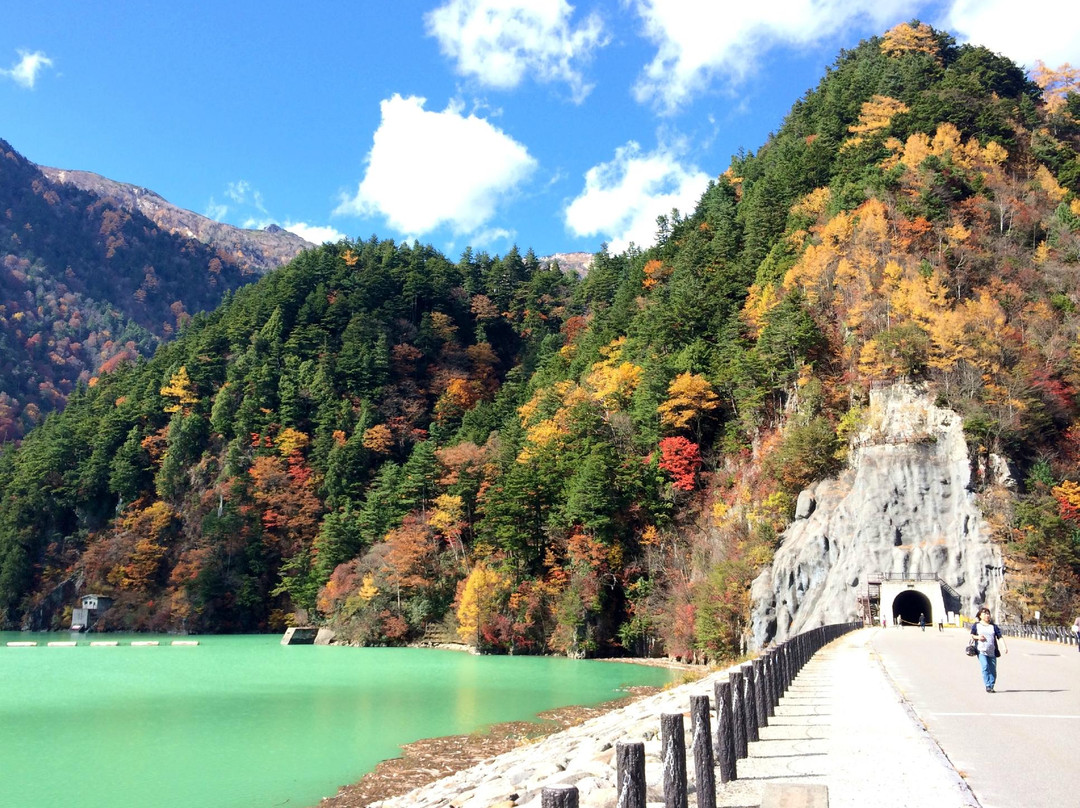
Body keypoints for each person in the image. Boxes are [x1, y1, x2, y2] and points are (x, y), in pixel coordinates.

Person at [970, 607, 1008, 692]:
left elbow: (1000, 637)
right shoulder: (977, 625)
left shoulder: (993, 626)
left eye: (988, 614)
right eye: (985, 614)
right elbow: (972, 635)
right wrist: (978, 637)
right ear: (980, 615)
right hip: (981, 650)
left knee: (993, 670)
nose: (987, 615)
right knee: (985, 666)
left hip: (992, 651)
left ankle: (991, 685)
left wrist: (1004, 647)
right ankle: (987, 685)